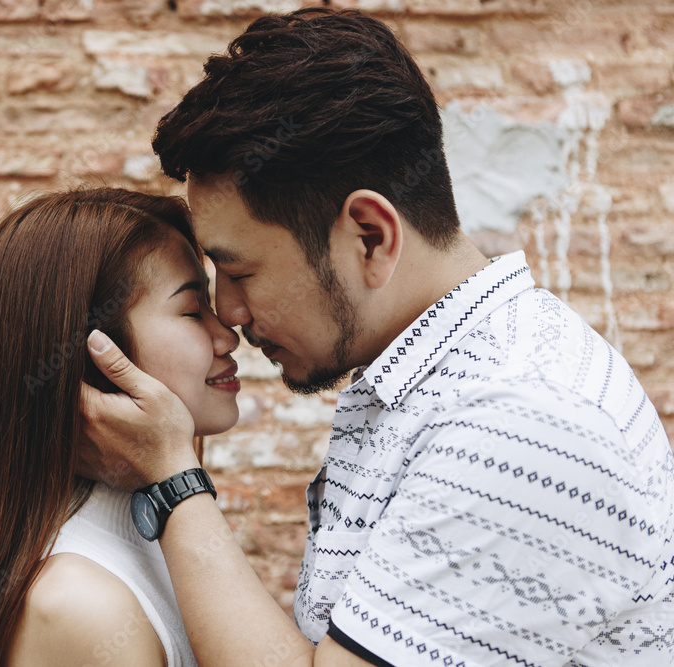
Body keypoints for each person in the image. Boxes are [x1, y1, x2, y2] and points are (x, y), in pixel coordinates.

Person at [79, 8, 674, 667]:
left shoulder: (519, 418)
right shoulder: (439, 377)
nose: (230, 311)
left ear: (370, 236)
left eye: (240, 270)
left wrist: (173, 479)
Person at [0, 188, 241, 666]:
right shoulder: (84, 603)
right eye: (191, 310)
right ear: (92, 357)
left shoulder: (161, 542)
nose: (227, 335)